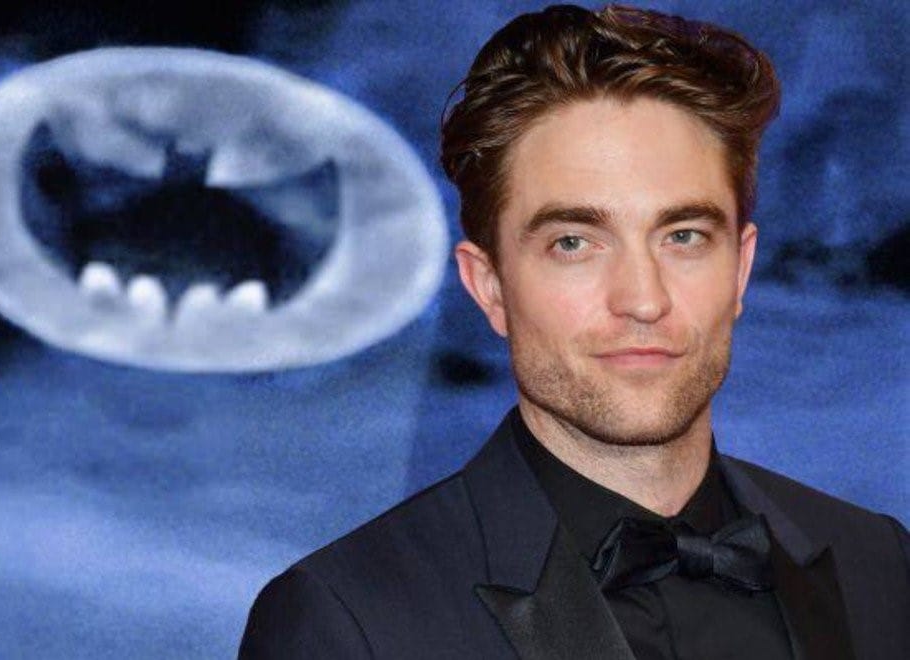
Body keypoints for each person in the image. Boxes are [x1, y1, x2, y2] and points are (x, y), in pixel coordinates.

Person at [239, 5, 908, 658]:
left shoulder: (880, 564)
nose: (643, 300)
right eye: (573, 243)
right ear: (489, 286)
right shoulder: (343, 621)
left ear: (740, 268)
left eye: (683, 236)